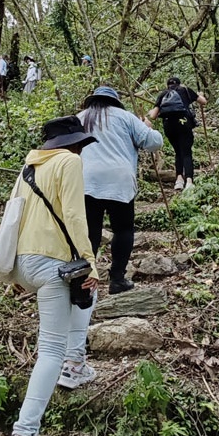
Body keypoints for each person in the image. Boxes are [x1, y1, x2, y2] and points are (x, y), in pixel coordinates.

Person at [3, 115, 99, 436]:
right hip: (52, 264)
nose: (80, 150)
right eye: (79, 144)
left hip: (25, 262)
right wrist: (89, 260)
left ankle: (77, 362)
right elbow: (75, 215)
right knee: (50, 351)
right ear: (72, 143)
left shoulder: (29, 167)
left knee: (86, 297)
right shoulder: (69, 162)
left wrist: (12, 269)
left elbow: (14, 217)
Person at [77, 85, 163, 296]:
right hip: (119, 179)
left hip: (86, 179)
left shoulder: (80, 118)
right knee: (123, 229)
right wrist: (147, 127)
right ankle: (117, 279)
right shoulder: (125, 117)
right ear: (115, 102)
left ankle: (84, 281)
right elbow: (154, 142)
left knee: (90, 232)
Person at [148, 76, 207, 191]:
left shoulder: (163, 94)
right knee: (186, 152)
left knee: (178, 152)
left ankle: (179, 180)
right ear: (180, 84)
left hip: (169, 126)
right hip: (184, 124)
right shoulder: (185, 90)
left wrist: (152, 111)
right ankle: (189, 181)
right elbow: (203, 102)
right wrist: (198, 95)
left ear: (167, 85)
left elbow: (153, 116)